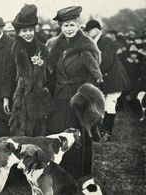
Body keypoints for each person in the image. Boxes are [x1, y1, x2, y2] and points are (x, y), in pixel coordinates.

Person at [46, 6, 103, 179]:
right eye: (65, 26)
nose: (69, 29)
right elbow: (51, 72)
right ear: (60, 27)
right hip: (59, 96)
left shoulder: (86, 47)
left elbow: (97, 77)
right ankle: (58, 172)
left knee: (77, 136)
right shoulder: (54, 46)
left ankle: (77, 174)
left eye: (72, 25)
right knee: (58, 132)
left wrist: (85, 98)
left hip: (78, 100)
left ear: (79, 24)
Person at [9, 4, 53, 137]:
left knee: (39, 132)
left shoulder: (43, 49)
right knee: (22, 131)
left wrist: (42, 66)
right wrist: (6, 97)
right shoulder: (13, 50)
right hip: (21, 98)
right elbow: (8, 75)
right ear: (18, 32)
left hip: (39, 97)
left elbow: (51, 73)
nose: (28, 34)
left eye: (30, 30)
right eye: (24, 31)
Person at [84, 19, 129, 142]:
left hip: (114, 79)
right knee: (103, 105)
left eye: (89, 31)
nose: (87, 33)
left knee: (110, 105)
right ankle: (102, 131)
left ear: (96, 30)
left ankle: (107, 133)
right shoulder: (97, 41)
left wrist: (93, 72)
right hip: (107, 79)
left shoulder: (106, 40)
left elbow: (106, 62)